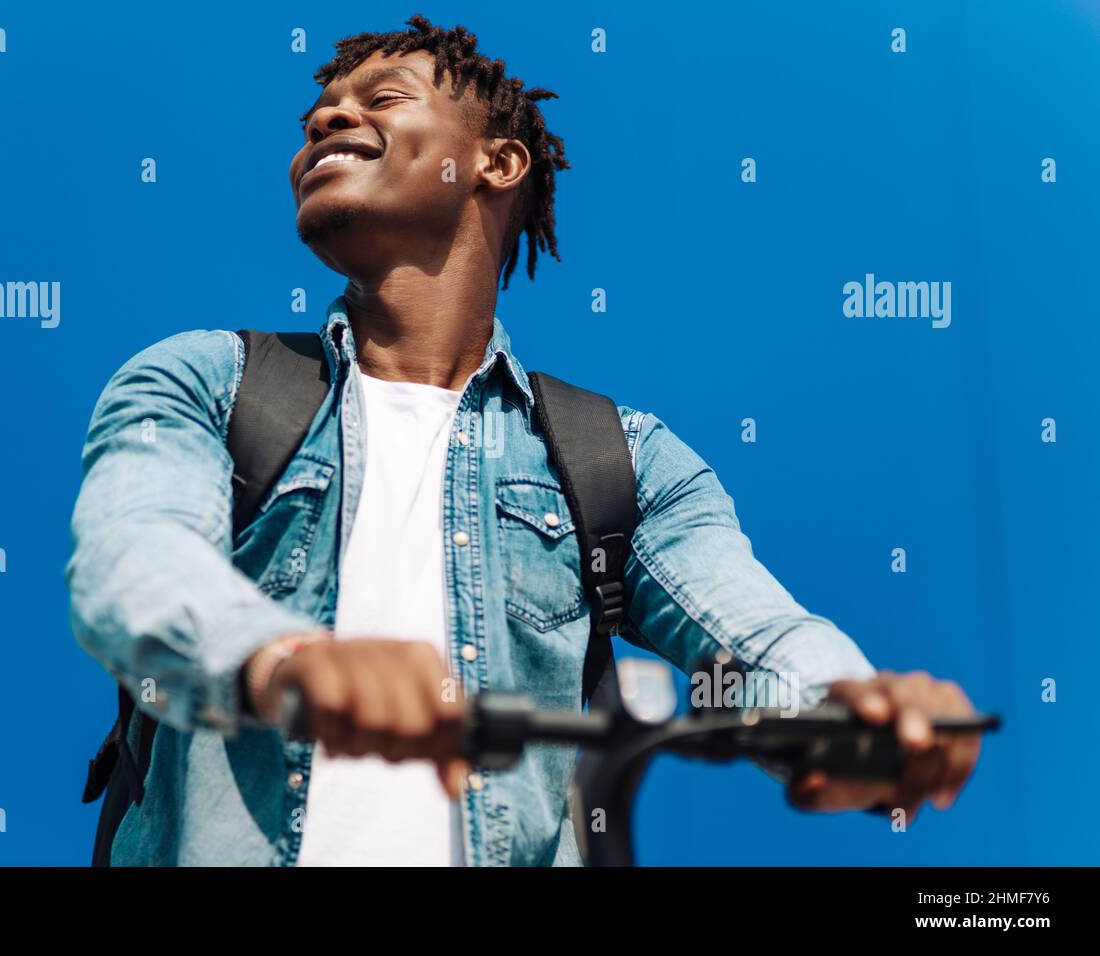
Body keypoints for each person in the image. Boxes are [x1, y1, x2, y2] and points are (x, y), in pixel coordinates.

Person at [67, 14, 983, 866]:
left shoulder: (618, 458)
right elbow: (134, 560)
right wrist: (282, 661)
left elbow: (759, 636)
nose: (326, 116)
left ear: (496, 164)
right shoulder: (207, 381)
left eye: (382, 98)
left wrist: (851, 716)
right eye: (318, 113)